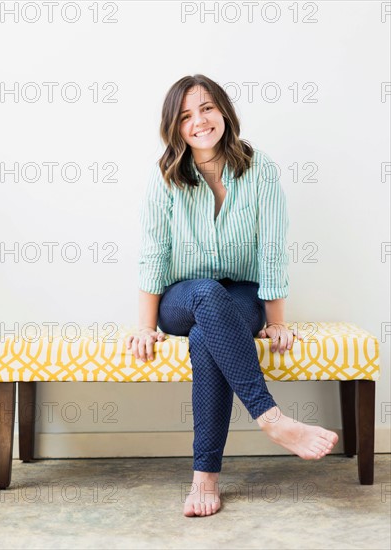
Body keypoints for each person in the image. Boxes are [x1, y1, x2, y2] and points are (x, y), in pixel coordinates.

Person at [125, 74, 338, 517]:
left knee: (208, 339)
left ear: (223, 110)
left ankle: (205, 478)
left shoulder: (261, 170)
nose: (199, 121)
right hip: (182, 298)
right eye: (186, 116)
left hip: (241, 295)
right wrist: (145, 327)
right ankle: (273, 420)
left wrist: (276, 320)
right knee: (205, 297)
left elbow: (272, 249)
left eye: (206, 108)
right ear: (175, 126)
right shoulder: (165, 176)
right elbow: (152, 253)